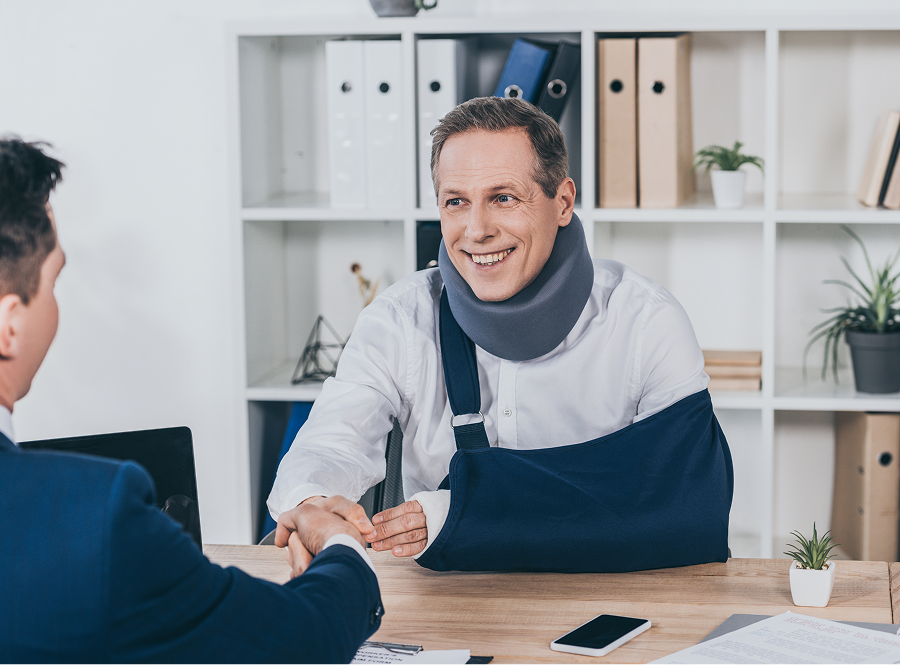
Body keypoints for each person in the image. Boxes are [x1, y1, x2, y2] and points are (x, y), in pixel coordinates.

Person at [269, 97, 715, 572]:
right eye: (456, 202)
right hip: (449, 598)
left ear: (562, 202)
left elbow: (685, 500)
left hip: (612, 592)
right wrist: (311, 502)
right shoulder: (400, 319)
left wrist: (455, 511)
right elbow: (334, 441)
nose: (476, 230)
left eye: (503, 197)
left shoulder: (646, 322)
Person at [0, 137, 383, 664]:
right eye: (54, 281)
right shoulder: (91, 518)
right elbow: (300, 641)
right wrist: (343, 549)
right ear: (9, 325)